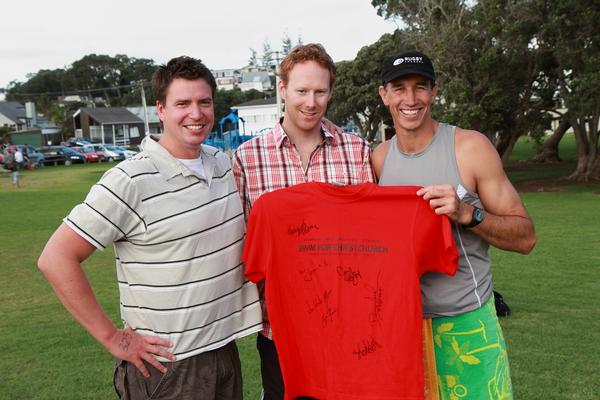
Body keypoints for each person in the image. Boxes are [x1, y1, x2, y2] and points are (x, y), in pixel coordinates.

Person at [38, 56, 262, 400]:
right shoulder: (130, 180)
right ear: (160, 109)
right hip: (168, 368)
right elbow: (55, 258)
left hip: (223, 351)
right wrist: (113, 338)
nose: (196, 113)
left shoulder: (221, 164)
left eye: (204, 102)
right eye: (182, 103)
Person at [372, 50, 537, 399]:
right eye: (399, 88)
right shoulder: (378, 159)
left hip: (468, 321)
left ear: (435, 92)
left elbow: (526, 237)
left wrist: (468, 214)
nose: (410, 99)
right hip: (404, 329)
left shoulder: (469, 148)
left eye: (420, 87)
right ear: (384, 94)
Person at [232, 43, 374, 399]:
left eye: (320, 91)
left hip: (348, 325)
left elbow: (371, 238)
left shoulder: (356, 150)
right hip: (279, 329)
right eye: (301, 91)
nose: (311, 102)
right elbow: (243, 242)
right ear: (282, 89)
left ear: (330, 92)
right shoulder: (248, 158)